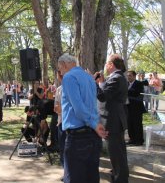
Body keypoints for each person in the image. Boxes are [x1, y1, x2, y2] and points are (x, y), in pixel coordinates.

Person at [58, 53, 106, 183]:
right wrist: (95, 124)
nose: (60, 72)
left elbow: (78, 108)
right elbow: (92, 105)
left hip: (78, 137)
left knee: (75, 178)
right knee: (91, 177)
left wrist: (95, 124)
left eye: (60, 69)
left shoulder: (68, 77)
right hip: (92, 136)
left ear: (64, 64)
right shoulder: (89, 77)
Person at [96, 54, 129, 183]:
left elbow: (103, 97)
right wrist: (102, 82)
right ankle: (119, 175)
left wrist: (93, 83)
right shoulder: (118, 77)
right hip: (115, 119)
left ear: (111, 64)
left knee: (116, 153)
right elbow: (109, 94)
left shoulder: (116, 78)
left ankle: (120, 178)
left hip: (113, 120)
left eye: (107, 63)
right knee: (118, 152)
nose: (105, 66)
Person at [126, 71, 145, 146]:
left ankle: (139, 140)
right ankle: (132, 139)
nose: (128, 77)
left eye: (130, 76)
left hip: (137, 108)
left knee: (137, 124)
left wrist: (127, 93)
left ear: (134, 76)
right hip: (128, 107)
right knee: (129, 124)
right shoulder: (126, 84)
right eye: (127, 76)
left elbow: (136, 93)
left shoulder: (139, 84)